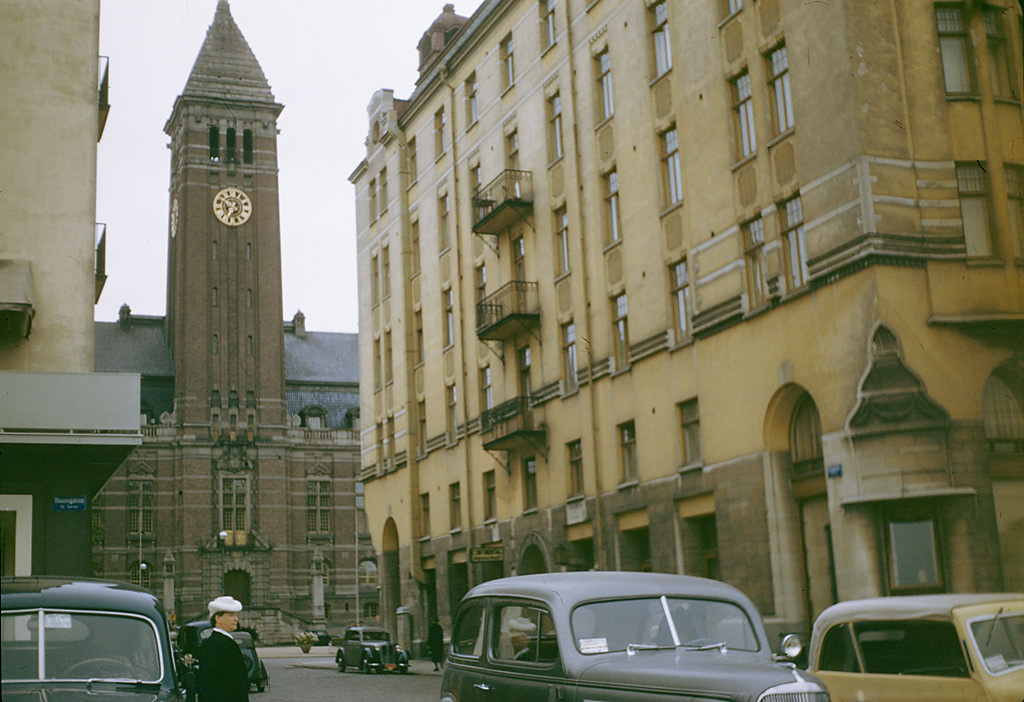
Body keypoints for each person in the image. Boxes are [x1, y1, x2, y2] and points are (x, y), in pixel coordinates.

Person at [198, 595, 249, 702]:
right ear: (218, 618)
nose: (236, 619)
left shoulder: (208, 643)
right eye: (231, 615)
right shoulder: (226, 644)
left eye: (236, 615)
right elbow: (234, 684)